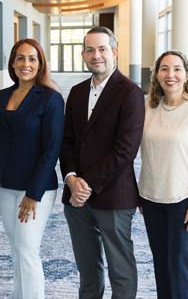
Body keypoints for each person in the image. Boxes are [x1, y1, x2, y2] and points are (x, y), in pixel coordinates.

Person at [59, 26, 145, 299]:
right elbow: (67, 141)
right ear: (83, 55)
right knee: (87, 270)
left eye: (102, 49)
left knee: (121, 270)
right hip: (76, 198)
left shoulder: (130, 92)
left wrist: (88, 184)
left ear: (115, 52)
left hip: (114, 196)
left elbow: (125, 151)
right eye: (90, 50)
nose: (96, 55)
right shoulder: (76, 92)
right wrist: (72, 179)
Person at [0, 38, 64, 299]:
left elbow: (51, 151)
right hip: (6, 185)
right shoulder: (4, 95)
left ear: (40, 64)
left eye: (32, 59)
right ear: (13, 62)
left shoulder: (50, 98)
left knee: (27, 249)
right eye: (20, 58)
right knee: (16, 249)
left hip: (36, 188)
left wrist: (33, 194)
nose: (25, 63)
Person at [138, 50, 188, 298]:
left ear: (187, 75)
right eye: (164, 69)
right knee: (161, 265)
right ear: (157, 75)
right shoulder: (147, 107)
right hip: (150, 199)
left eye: (176, 69)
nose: (170, 74)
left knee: (179, 267)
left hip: (184, 201)